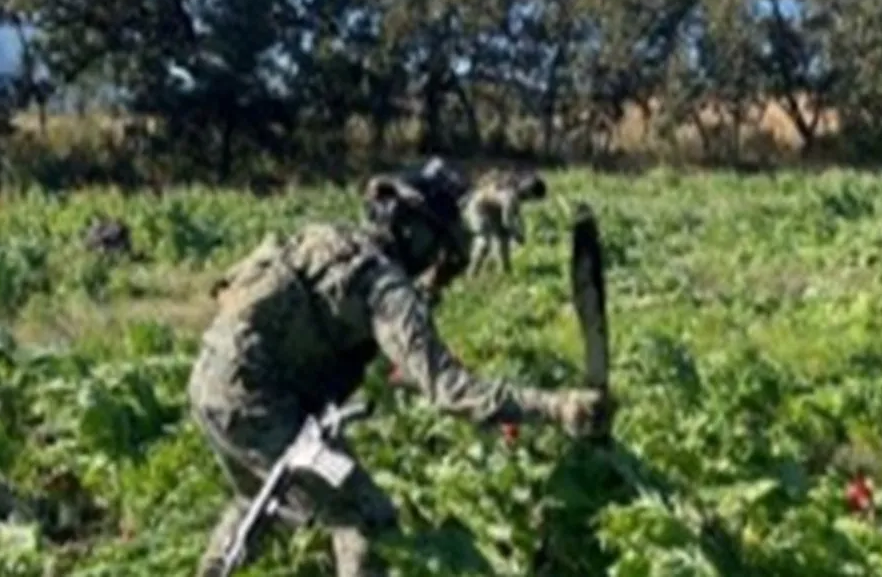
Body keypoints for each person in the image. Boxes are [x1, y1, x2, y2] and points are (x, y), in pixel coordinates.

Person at [188, 158, 607, 576]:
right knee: (365, 516)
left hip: (210, 381)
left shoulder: (329, 239)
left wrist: (438, 282)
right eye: (436, 241)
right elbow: (449, 389)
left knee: (256, 501)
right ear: (415, 230)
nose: (436, 255)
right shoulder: (384, 287)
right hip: (258, 403)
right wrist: (557, 407)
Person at [462, 168, 548, 275]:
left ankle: (506, 271)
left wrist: (520, 231)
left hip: (494, 209)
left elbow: (516, 216)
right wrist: (517, 234)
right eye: (533, 198)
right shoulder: (510, 196)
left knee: (503, 238)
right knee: (484, 243)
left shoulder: (516, 193)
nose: (531, 201)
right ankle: (472, 273)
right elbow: (507, 220)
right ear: (529, 192)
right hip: (479, 208)